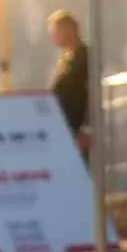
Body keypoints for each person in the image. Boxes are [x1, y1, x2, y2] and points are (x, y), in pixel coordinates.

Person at [47, 9, 90, 156]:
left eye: (55, 31)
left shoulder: (83, 57)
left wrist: (87, 126)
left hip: (78, 129)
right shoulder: (66, 60)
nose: (52, 36)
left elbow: (88, 92)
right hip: (65, 127)